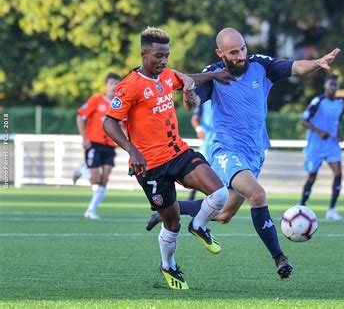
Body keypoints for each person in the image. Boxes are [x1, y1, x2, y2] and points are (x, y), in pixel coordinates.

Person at [147, 27, 340, 280]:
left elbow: (295, 67)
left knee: (224, 214)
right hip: (226, 150)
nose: (241, 56)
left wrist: (316, 62)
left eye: (243, 49)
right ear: (221, 53)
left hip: (254, 152)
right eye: (234, 52)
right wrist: (188, 93)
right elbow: (193, 103)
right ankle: (279, 258)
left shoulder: (261, 65)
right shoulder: (213, 74)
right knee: (257, 194)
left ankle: (170, 209)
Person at [103, 27, 232, 290]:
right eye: (159, 56)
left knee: (220, 193)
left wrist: (214, 75)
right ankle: (168, 266)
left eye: (167, 55)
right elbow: (109, 123)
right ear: (144, 53)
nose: (163, 61)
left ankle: (199, 225)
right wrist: (131, 149)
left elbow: (187, 78)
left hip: (178, 153)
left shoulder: (166, 75)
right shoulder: (130, 86)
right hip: (150, 167)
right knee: (172, 222)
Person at [298, 75, 344, 221]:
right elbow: (304, 121)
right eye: (330, 85)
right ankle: (301, 206)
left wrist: (339, 135)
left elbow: (336, 121)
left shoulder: (341, 103)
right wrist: (319, 132)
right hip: (316, 144)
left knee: (338, 173)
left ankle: (331, 209)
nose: (333, 87)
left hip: (331, 144)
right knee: (312, 176)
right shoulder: (318, 101)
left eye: (335, 85)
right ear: (325, 86)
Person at [77, 72, 121, 219]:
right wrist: (84, 138)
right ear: (106, 85)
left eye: (116, 84)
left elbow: (123, 125)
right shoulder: (96, 100)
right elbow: (80, 116)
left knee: (105, 179)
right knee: (95, 179)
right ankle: (83, 169)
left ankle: (91, 210)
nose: (114, 86)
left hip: (110, 145)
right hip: (94, 143)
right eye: (111, 83)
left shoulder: (119, 104)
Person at [187, 100, 215, 201]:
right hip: (207, 144)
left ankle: (213, 199)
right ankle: (192, 196)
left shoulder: (225, 99)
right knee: (200, 171)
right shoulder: (205, 101)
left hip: (221, 144)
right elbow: (195, 119)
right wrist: (199, 129)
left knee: (216, 174)